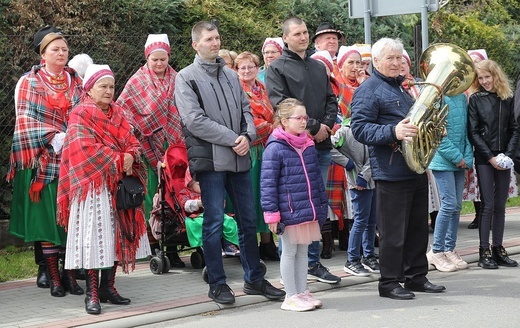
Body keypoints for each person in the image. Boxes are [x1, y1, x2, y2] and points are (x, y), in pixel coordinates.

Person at [174, 21, 285, 305]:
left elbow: (246, 109)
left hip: (239, 157)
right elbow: (194, 120)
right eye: (209, 39)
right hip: (211, 161)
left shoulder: (231, 76)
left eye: (217, 38)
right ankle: (218, 283)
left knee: (248, 221)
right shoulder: (186, 78)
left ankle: (254, 279)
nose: (215, 43)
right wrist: (233, 137)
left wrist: (247, 134)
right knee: (213, 223)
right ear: (195, 44)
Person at [350, 37, 445, 300]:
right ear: (376, 61)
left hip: (414, 167)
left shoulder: (402, 88)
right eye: (390, 58)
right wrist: (394, 131)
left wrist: (434, 131)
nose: (395, 62)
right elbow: (358, 128)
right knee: (392, 232)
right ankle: (389, 282)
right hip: (390, 170)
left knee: (417, 227)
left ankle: (416, 276)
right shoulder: (368, 90)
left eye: (399, 58)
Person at [57, 64, 151, 314]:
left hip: (117, 188)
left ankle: (109, 287)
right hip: (93, 190)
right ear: (89, 89)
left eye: (111, 86)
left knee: (116, 236)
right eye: (103, 86)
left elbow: (132, 141)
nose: (109, 91)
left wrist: (131, 153)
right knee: (94, 239)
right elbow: (85, 150)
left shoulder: (118, 112)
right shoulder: (80, 114)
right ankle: (92, 293)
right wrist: (121, 159)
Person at [7, 26, 84, 298]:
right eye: (56, 49)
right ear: (43, 54)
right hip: (44, 161)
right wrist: (53, 136)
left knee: (70, 220)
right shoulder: (30, 81)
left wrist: (76, 136)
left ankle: (69, 275)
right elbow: (25, 118)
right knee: (49, 222)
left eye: (64, 49)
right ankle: (52, 277)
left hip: (73, 159)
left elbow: (85, 112)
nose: (62, 53)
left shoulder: (76, 81)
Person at [266, 16, 340, 284]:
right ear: (285, 37)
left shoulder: (319, 67)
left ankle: (312, 262)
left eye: (306, 32)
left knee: (315, 208)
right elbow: (281, 106)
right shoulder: (277, 69)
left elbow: (332, 101)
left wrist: (325, 126)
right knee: (296, 208)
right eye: (297, 33)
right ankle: (297, 272)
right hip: (292, 150)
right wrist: (312, 126)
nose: (303, 37)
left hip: (319, 146)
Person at [116, 33, 185, 267]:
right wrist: (136, 129)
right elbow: (123, 109)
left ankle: (174, 245)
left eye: (162, 59)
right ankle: (155, 245)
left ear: (168, 58)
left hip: (173, 146)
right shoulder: (136, 81)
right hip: (147, 148)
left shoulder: (178, 79)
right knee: (151, 197)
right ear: (147, 58)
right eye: (154, 59)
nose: (158, 64)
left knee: (174, 193)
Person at [261, 98, 326, 312]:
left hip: (306, 209)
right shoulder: (275, 147)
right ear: (284, 120)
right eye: (298, 118)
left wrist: (320, 204)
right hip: (288, 210)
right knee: (289, 251)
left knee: (303, 251)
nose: (303, 122)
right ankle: (290, 295)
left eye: (305, 118)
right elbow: (268, 183)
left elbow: (315, 179)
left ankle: (301, 291)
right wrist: (271, 213)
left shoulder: (307, 144)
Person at [467, 59, 519, 269]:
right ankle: (484, 251)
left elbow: (515, 128)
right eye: (481, 78)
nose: (485, 81)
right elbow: (473, 131)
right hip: (485, 158)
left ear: (495, 76)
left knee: (500, 205)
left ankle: (498, 248)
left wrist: (507, 155)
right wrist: (490, 157)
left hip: (504, 156)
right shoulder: (476, 99)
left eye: (487, 77)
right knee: (487, 204)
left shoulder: (507, 97)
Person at [235, 51, 279, 261]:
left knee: (266, 194)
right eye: (241, 67)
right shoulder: (236, 90)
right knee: (250, 196)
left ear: (257, 68)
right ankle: (250, 245)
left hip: (266, 148)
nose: (246, 71)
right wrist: (273, 127)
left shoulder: (263, 89)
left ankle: (268, 242)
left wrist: (274, 125)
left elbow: (275, 112)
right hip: (250, 148)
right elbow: (248, 119)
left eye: (250, 67)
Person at [426, 94, 473, 272]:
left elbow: (465, 132)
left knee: (457, 206)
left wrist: (467, 157)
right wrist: (457, 157)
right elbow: (437, 135)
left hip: (459, 160)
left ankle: (449, 248)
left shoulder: (462, 97)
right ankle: (436, 251)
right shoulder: (437, 98)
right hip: (442, 160)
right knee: (449, 203)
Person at [331, 118, 379, 276]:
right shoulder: (345, 131)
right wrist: (346, 162)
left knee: (371, 221)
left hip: (372, 180)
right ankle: (352, 259)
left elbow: (376, 154)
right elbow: (329, 147)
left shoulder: (373, 127)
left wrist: (366, 175)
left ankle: (369, 255)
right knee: (360, 221)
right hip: (357, 182)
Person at [178, 169, 240, 256]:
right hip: (195, 217)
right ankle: (212, 247)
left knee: (228, 220)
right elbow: (186, 205)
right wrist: (198, 203)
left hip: (214, 214)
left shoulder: (210, 191)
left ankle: (228, 244)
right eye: (199, 184)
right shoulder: (186, 193)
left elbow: (221, 203)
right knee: (200, 225)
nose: (203, 186)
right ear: (190, 185)